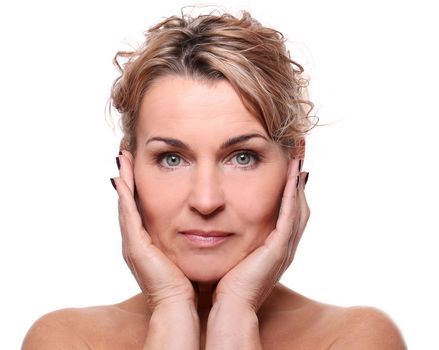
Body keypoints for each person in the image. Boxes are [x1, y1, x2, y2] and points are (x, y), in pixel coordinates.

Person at [22, 9, 406, 350]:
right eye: (172, 158)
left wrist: (237, 310)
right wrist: (171, 306)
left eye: (242, 157)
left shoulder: (356, 338)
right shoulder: (69, 339)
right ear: (129, 167)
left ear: (294, 164)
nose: (206, 201)